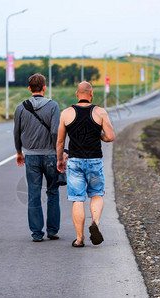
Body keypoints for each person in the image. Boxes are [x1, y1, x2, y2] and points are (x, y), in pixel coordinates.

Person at [56, 81, 115, 247]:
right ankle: (95, 222)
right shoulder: (100, 112)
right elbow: (110, 137)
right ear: (91, 94)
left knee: (77, 199)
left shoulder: (66, 113)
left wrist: (60, 160)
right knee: (96, 194)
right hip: (95, 160)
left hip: (75, 161)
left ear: (77, 94)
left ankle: (79, 239)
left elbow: (60, 141)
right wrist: (99, 136)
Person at [14, 73, 61, 242]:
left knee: (33, 193)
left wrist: (19, 152)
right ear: (44, 88)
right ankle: (52, 230)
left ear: (29, 89)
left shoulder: (20, 108)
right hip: (50, 156)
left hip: (31, 157)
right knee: (53, 192)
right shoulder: (53, 106)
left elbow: (17, 132)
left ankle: (36, 233)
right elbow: (56, 131)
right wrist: (59, 153)